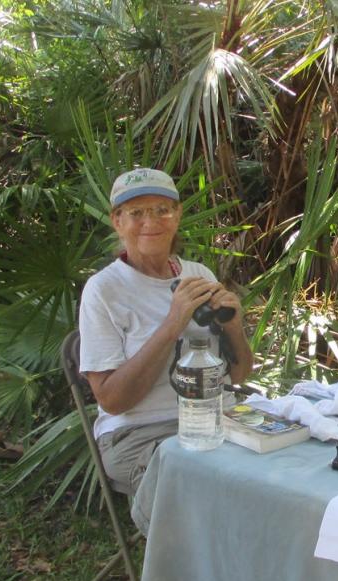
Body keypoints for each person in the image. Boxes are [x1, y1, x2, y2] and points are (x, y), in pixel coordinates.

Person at [78, 168, 254, 497]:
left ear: (177, 215)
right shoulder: (104, 290)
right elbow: (113, 401)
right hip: (142, 432)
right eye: (137, 212)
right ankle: (186, 549)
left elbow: (239, 375)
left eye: (162, 209)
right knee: (210, 490)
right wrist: (173, 322)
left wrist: (234, 328)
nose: (151, 221)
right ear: (117, 221)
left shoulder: (198, 274)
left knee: (285, 471)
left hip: (219, 418)